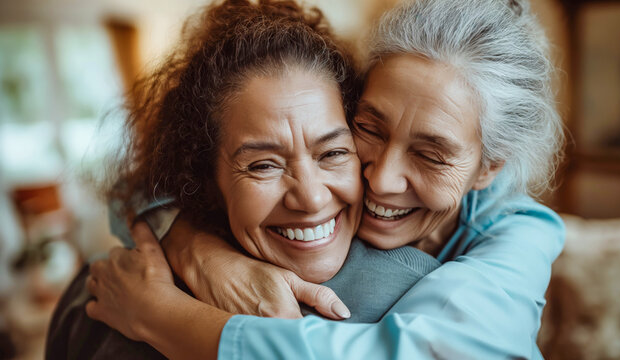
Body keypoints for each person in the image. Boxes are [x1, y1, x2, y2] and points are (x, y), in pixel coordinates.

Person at [85, 0, 566, 358]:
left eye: (430, 154)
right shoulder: (314, 181)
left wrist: (161, 315)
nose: (380, 180)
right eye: (369, 129)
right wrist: (196, 249)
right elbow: (139, 186)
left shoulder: (519, 236)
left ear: (488, 168)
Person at [45, 1, 442, 359]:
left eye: (333, 153)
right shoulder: (111, 292)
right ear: (204, 179)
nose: (311, 198)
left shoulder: (419, 292)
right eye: (263, 165)